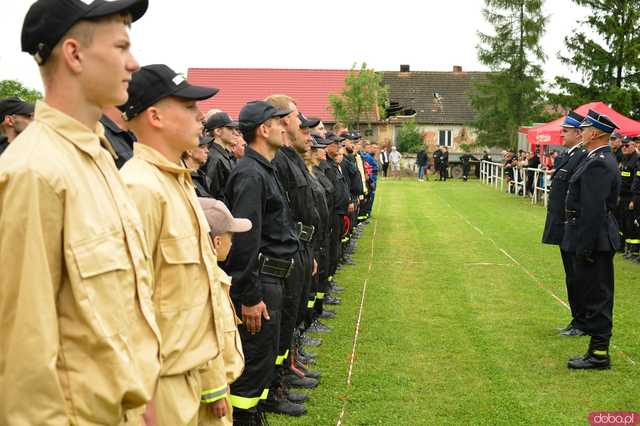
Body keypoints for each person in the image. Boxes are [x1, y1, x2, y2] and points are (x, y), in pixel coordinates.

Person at [0, 1, 160, 424]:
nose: (134, 62)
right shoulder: (35, 172)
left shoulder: (100, 160)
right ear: (74, 54)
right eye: (121, 47)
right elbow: (21, 349)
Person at [119, 63, 227, 425]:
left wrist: (214, 379)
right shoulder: (139, 188)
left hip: (197, 375)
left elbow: (202, 289)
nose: (200, 117)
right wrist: (140, 395)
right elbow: (127, 306)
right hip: (161, 390)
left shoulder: (177, 182)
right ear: (155, 116)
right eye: (188, 107)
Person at [223, 101, 301, 425]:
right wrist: (251, 296)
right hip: (261, 282)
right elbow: (243, 243)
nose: (286, 127)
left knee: (265, 357)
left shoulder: (263, 169)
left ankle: (254, 416)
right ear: (263, 129)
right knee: (253, 362)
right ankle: (243, 419)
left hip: (274, 279)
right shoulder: (250, 175)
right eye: (278, 123)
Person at [563, 109, 621, 370]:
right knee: (592, 293)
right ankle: (597, 351)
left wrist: (584, 247)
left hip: (595, 239)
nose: (581, 132)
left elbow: (594, 209)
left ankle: (599, 354)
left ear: (596, 133)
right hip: (590, 236)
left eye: (585, 128)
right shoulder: (595, 157)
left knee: (597, 296)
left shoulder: (599, 161)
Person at [198, 198, 250, 426]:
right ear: (217, 241)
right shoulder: (203, 283)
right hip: (210, 394)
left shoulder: (213, 274)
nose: (233, 242)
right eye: (231, 236)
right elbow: (206, 338)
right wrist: (215, 389)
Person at [541, 111, 588, 336]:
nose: (562, 135)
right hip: (563, 226)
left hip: (572, 227)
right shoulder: (572, 155)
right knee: (572, 275)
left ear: (579, 133)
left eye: (566, 131)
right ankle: (577, 319)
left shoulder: (581, 156)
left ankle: (581, 322)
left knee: (577, 276)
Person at [205, 111, 238, 202]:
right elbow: (211, 192)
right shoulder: (214, 157)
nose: (235, 133)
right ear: (218, 131)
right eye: (230, 128)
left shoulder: (221, 154)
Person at [618, 137, 639, 258]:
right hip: (622, 196)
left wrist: (633, 200)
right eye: (623, 146)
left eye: (627, 146)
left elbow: (636, 182)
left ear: (633, 145)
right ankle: (627, 249)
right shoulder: (624, 158)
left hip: (631, 198)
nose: (624, 148)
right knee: (624, 224)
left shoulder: (636, 160)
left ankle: (633, 251)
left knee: (632, 224)